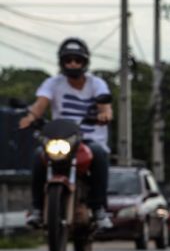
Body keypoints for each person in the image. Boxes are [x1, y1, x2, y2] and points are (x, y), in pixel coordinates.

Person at [20, 37, 113, 229]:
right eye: (68, 60)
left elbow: (106, 107)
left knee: (100, 155)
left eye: (77, 60)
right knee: (39, 156)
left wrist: (104, 114)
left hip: (89, 139)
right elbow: (40, 105)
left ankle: (99, 209)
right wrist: (30, 118)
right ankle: (37, 209)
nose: (72, 64)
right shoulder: (52, 83)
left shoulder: (97, 84)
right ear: (61, 62)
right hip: (61, 138)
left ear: (84, 62)